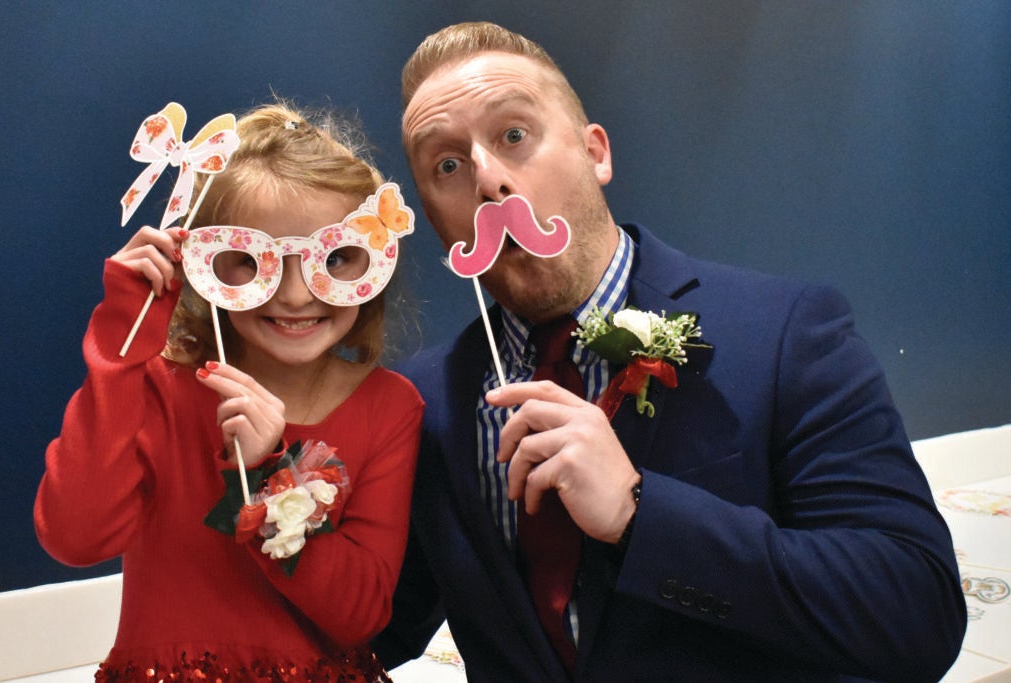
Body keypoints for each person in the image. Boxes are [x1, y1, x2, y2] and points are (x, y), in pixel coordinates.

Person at [372, 21, 967, 682]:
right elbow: (374, 628)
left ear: (595, 152)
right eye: (446, 165)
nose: (488, 181)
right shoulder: (425, 401)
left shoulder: (786, 334)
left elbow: (917, 613)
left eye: (514, 136)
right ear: (433, 216)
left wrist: (637, 513)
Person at [35, 102, 424, 681]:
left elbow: (360, 614)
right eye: (249, 259)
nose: (295, 296)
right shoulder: (161, 391)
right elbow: (75, 538)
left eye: (334, 258)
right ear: (202, 261)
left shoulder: (390, 407)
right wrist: (122, 342)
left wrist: (269, 474)